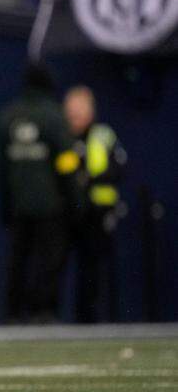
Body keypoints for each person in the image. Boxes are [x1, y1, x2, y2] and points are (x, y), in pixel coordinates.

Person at [0, 63, 81, 323]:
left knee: (19, 258)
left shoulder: (8, 117)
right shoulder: (54, 116)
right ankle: (43, 311)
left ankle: (13, 311)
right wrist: (75, 198)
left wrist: (6, 204)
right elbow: (66, 161)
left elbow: (2, 167)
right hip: (51, 203)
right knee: (49, 259)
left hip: (19, 202)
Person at [64, 85, 126, 323]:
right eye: (71, 112)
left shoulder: (103, 135)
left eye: (79, 112)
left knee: (95, 267)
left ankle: (96, 318)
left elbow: (119, 168)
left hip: (99, 212)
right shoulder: (65, 137)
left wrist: (91, 177)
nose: (75, 117)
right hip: (72, 212)